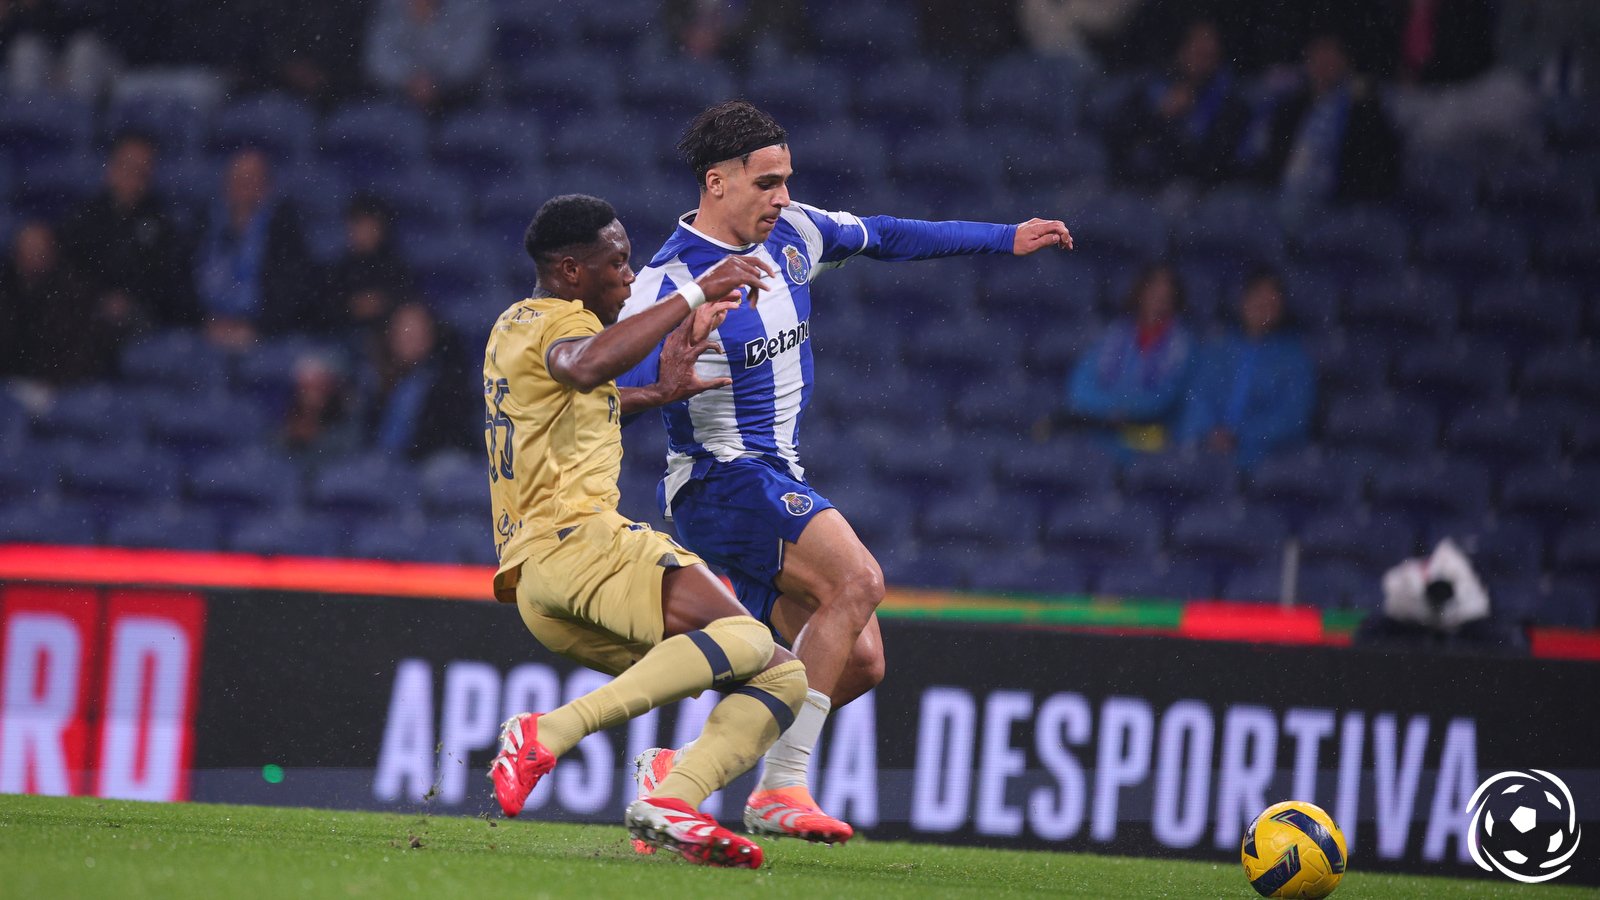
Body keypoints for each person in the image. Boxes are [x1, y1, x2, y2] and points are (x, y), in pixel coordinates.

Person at [618, 100, 1072, 844]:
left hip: (776, 477)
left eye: (786, 180)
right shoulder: (666, 282)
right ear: (716, 182)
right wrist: (663, 375)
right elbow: (613, 391)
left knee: (858, 662)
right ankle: (780, 788)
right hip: (719, 479)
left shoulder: (796, 233)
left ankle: (680, 769)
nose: (783, 197)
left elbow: (886, 234)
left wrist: (1003, 237)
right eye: (767, 183)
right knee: (859, 579)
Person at [485, 193, 805, 869]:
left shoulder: (514, 323)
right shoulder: (567, 322)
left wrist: (658, 393)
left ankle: (672, 794)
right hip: (581, 544)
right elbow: (584, 365)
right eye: (617, 263)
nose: (629, 278)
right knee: (748, 636)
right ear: (571, 271)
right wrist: (697, 290)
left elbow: (576, 399)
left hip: (536, 583)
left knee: (780, 677)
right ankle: (548, 731)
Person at [1244, 30, 1402, 221]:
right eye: (1317, 54)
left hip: (1335, 206)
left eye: (1330, 54)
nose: (1322, 62)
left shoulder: (1364, 111)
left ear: (1346, 62)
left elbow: (1376, 175)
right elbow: (1270, 163)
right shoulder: (1291, 108)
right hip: (1284, 197)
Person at [59, 131, 198, 335]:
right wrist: (100, 298)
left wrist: (130, 300)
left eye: (142, 170)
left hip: (140, 317)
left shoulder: (162, 225)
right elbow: (69, 270)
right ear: (111, 169)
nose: (133, 176)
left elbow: (167, 284)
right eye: (127, 166)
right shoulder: (84, 218)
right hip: (88, 311)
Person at [1176, 268, 1314, 470]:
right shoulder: (1217, 348)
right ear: (1244, 301)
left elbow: (1292, 417)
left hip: (1263, 458)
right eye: (1258, 298)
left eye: (1271, 302)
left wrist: (1240, 435)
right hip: (1208, 449)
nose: (1263, 307)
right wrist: (1209, 432)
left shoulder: (1295, 358)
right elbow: (1197, 397)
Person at [1065, 262, 1195, 454]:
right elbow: (1080, 387)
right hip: (1101, 432)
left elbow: (1165, 397)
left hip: (1149, 437)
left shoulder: (1182, 344)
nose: (1159, 299)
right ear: (1141, 292)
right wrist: (1110, 410)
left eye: (1166, 294)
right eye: (1154, 290)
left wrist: (1125, 410)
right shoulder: (1114, 334)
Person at [1105, 18, 1251, 188]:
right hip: (1137, 184)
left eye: (1208, 55)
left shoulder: (1229, 102)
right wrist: (1160, 115)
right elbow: (1116, 138)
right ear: (1181, 50)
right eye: (1195, 51)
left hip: (1191, 190)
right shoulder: (1151, 85)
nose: (1199, 61)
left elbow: (1216, 165)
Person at [193, 148, 312, 349]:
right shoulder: (203, 224)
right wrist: (204, 322)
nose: (243, 186)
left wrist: (256, 328)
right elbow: (183, 283)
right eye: (237, 179)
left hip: (263, 333)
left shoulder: (284, 230)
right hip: (206, 329)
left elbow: (293, 293)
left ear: (267, 186)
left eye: (252, 179)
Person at [360, 301, 474, 460]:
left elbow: (451, 437)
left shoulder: (448, 380)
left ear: (432, 335)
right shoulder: (369, 377)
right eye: (404, 330)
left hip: (428, 463)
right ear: (390, 334)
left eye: (418, 330)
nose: (411, 338)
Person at [0, 221, 101, 386]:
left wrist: (51, 383)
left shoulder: (72, 292)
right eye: (28, 248)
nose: (33, 255)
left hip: (56, 384)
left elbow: (79, 347)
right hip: (8, 381)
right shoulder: (5, 288)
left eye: (39, 249)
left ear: (52, 252)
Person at [363, 0, 491, 115]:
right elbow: (378, 57)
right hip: (398, 99)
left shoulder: (471, 5)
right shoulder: (391, 5)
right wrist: (409, 77)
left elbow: (469, 59)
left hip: (464, 101)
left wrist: (433, 81)